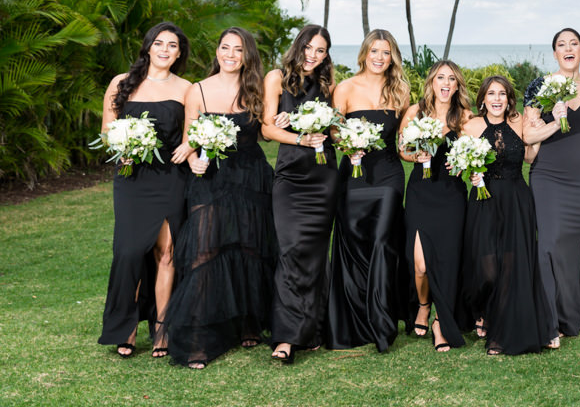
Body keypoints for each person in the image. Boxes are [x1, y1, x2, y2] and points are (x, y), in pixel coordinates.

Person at [164, 27, 277, 369]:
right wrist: (196, 158)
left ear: (247, 55)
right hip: (211, 178)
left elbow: (268, 130)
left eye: (238, 49)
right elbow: (190, 140)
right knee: (206, 252)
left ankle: (248, 324)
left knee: (249, 248)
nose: (230, 54)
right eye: (224, 47)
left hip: (251, 176)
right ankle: (200, 338)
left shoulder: (256, 89)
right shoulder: (197, 91)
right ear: (217, 51)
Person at [98, 22, 192, 358]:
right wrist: (121, 144)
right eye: (159, 43)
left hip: (171, 176)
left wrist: (189, 148)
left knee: (166, 254)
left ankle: (162, 329)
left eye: (172, 45)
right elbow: (107, 130)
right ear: (148, 47)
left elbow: (190, 134)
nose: (165, 50)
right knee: (129, 251)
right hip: (131, 176)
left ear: (179, 53)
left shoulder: (187, 88)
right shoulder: (121, 83)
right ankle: (125, 328)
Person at [326, 29, 411, 353]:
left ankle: (381, 322)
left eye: (386, 53)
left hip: (388, 175)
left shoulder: (399, 91)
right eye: (374, 51)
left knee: (381, 242)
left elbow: (402, 139)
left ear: (392, 58)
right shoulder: (345, 89)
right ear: (364, 53)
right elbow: (333, 131)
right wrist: (348, 143)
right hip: (353, 174)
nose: (379, 57)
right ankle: (352, 322)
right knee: (353, 245)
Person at [460, 75, 556, 355]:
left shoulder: (518, 122)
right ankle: (482, 309)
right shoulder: (472, 126)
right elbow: (459, 160)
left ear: (509, 98)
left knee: (511, 266)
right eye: (491, 94)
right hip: (483, 199)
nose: (497, 99)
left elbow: (528, 157)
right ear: (483, 99)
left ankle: (499, 333)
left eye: (502, 94)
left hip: (516, 199)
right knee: (487, 267)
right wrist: (470, 172)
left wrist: (540, 133)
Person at [522, 28, 580, 341]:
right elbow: (527, 136)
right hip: (547, 174)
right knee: (548, 245)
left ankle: (571, 316)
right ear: (554, 53)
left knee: (571, 247)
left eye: (574, 44)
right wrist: (555, 121)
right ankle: (548, 318)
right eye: (561, 45)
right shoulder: (539, 86)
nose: (568, 49)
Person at [261, 25, 337, 364]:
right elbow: (266, 127)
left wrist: (322, 125)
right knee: (291, 250)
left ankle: (312, 330)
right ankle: (286, 336)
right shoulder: (276, 78)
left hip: (324, 176)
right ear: (298, 46)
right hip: (291, 175)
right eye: (309, 47)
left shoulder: (327, 85)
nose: (313, 55)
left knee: (316, 254)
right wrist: (298, 135)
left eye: (320, 50)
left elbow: (335, 128)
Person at [399, 60, 471, 351]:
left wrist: (462, 160)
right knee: (420, 263)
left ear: (456, 86)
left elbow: (473, 150)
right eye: (440, 77)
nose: (445, 83)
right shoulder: (415, 112)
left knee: (448, 260)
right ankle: (423, 304)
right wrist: (414, 156)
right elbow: (402, 148)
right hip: (420, 190)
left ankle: (441, 321)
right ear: (431, 82)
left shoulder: (464, 116)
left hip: (450, 192)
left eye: (451, 79)